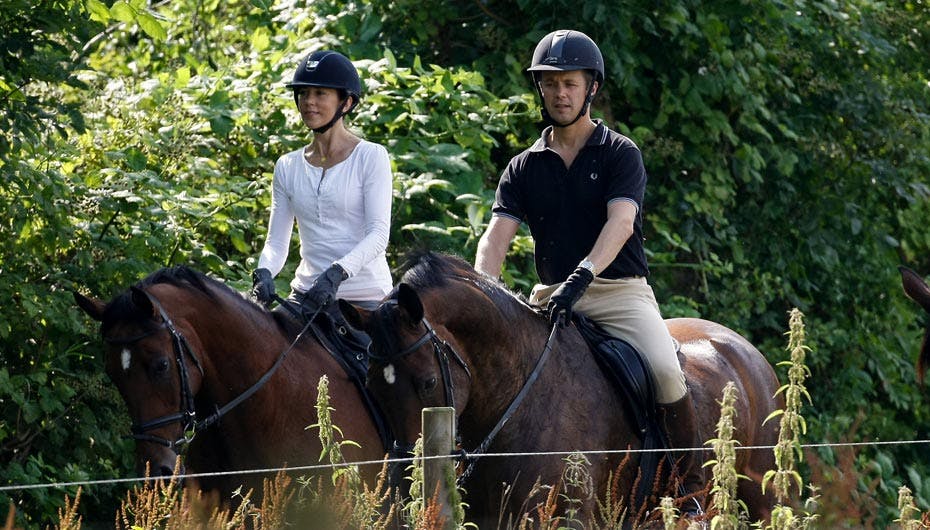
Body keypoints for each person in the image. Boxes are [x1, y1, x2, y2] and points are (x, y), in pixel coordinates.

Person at [474, 30, 706, 516]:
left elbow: (621, 223)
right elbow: (495, 239)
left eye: (570, 84)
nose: (560, 93)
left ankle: (690, 493)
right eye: (551, 83)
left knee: (666, 371)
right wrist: (484, 293)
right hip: (549, 296)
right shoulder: (523, 167)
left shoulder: (620, 152)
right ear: (540, 89)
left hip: (617, 292)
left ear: (591, 88)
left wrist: (582, 275)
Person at [251, 50, 393, 319]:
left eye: (320, 93)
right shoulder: (287, 166)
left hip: (364, 298)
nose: (309, 102)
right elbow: (276, 242)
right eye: (303, 93)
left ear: (346, 102)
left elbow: (378, 234)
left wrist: (337, 273)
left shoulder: (371, 156)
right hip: (306, 295)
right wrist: (265, 271)